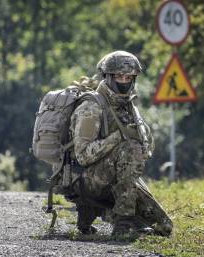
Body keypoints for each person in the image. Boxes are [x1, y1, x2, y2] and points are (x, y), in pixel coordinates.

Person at [65, 50, 172, 236]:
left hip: (116, 177)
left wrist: (141, 142)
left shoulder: (128, 106)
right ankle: (123, 222)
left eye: (128, 77)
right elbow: (83, 156)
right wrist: (117, 138)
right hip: (84, 179)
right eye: (119, 76)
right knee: (130, 149)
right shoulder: (91, 107)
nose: (124, 81)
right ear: (108, 77)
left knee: (164, 226)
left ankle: (98, 213)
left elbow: (145, 148)